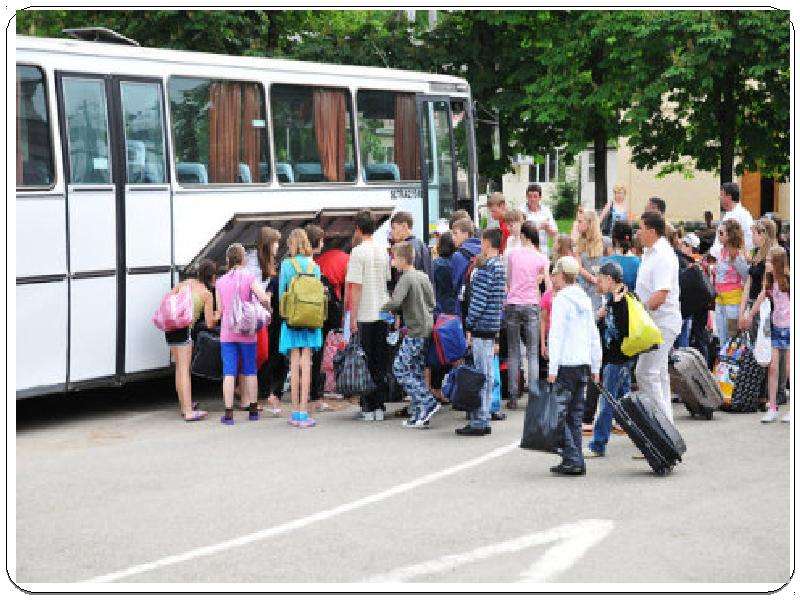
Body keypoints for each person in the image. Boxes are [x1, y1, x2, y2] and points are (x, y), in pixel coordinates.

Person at [547, 256, 602, 476]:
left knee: (558, 415)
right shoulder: (585, 299)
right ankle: (574, 457)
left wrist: (552, 368)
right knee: (575, 416)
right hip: (583, 363)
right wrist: (595, 365)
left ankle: (572, 457)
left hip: (565, 363)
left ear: (561, 275)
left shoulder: (561, 300)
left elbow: (556, 335)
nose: (552, 278)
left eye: (554, 274)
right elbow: (592, 333)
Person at [381, 241, 439, 428]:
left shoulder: (405, 278)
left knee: (400, 368)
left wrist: (381, 308)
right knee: (415, 369)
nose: (392, 261)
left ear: (402, 259)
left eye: (394, 258)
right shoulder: (422, 276)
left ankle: (427, 401)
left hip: (414, 330)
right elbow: (432, 302)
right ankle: (419, 413)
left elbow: (396, 301)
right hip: (427, 327)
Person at [216, 243, 271, 425]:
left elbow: (220, 310)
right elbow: (263, 297)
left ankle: (229, 414)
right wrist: (267, 307)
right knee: (250, 370)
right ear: (243, 259)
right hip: (247, 333)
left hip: (227, 333)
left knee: (229, 372)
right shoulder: (249, 277)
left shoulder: (220, 281)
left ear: (228, 260)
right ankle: (253, 410)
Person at [635, 211, 682, 426]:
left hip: (660, 323)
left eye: (641, 228)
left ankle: (660, 430)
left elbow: (660, 295)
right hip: (655, 322)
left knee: (646, 372)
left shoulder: (662, 255)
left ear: (652, 231)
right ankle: (666, 429)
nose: (638, 232)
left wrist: (636, 312)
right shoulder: (650, 252)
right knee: (659, 374)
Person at [458, 228, 506, 436]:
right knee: (486, 373)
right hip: (492, 325)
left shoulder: (486, 268)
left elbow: (479, 300)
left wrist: (469, 323)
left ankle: (479, 419)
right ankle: (485, 415)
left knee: (478, 374)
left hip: (480, 327)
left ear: (487, 243)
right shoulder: (501, 267)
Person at [345, 210, 391, 421]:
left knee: (366, 361)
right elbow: (387, 281)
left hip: (365, 312)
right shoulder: (383, 251)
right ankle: (380, 406)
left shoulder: (357, 253)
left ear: (357, 228)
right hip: (382, 311)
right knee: (380, 360)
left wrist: (352, 317)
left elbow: (356, 287)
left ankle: (368, 406)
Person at [585, 261, 632, 458]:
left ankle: (598, 444)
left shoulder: (621, 300)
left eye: (601, 278)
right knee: (625, 403)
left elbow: (622, 329)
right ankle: (641, 436)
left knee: (607, 404)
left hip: (617, 359)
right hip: (621, 358)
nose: (597, 281)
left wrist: (611, 308)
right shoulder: (614, 299)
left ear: (610, 280)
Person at [278, 228, 324, 428]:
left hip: (293, 320)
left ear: (291, 244)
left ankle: (295, 411)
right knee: (307, 364)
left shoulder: (287, 265)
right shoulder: (314, 266)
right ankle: (305, 412)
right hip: (312, 320)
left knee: (294, 363)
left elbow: (282, 293)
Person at [164, 260, 218, 422]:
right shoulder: (206, 294)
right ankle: (188, 412)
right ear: (212, 276)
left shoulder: (185, 283)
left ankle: (184, 405)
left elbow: (169, 299)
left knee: (179, 369)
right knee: (184, 370)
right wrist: (218, 314)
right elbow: (209, 323)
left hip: (170, 327)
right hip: (184, 330)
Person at [504, 222, 551, 409]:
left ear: (523, 236)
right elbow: (546, 285)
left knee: (514, 351)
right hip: (532, 304)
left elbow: (508, 279)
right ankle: (533, 395)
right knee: (532, 351)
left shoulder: (512, 254)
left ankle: (513, 396)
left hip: (513, 303)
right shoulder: (541, 258)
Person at [306, 224, 345, 414]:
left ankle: (306, 394)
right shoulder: (313, 265)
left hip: (301, 316)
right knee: (316, 354)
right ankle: (315, 395)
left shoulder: (296, 262)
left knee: (305, 355)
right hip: (316, 315)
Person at [750, 246, 791, 423]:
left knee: (790, 369)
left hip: (790, 328)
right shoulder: (769, 282)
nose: (766, 264)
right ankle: (772, 406)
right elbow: (761, 297)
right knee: (773, 368)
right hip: (775, 329)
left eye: (769, 261)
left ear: (778, 263)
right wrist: (750, 315)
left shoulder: (789, 281)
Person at [249, 226, 283, 416]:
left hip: (268, 313)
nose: (278, 245)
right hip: (259, 312)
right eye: (275, 242)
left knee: (267, 352)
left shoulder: (270, 261)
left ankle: (261, 387)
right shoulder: (254, 262)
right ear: (268, 244)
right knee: (262, 353)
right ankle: (253, 387)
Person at [739, 218, 778, 341]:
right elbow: (748, 283)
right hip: (752, 304)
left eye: (754, 234)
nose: (752, 237)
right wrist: (742, 311)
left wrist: (750, 315)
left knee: (762, 346)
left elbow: (765, 289)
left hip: (764, 307)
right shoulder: (757, 252)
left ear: (762, 234)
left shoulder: (771, 255)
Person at [712, 219, 749, 348]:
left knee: (733, 340)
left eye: (721, 233)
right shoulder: (722, 251)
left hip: (733, 304)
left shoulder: (736, 255)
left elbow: (746, 275)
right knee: (722, 339)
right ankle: (723, 366)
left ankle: (733, 367)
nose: (718, 235)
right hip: (720, 301)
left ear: (730, 235)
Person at [710, 182, 754, 259]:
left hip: (731, 262)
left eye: (721, 195)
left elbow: (748, 241)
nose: (719, 198)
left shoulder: (739, 215)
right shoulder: (730, 213)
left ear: (729, 197)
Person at [450, 218, 482, 319]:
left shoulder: (458, 255)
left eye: (455, 234)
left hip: (464, 304)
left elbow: (455, 284)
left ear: (466, 234)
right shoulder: (483, 250)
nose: (453, 238)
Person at [574, 208, 605, 312]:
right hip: (585, 285)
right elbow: (579, 267)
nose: (577, 224)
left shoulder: (604, 242)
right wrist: (593, 279)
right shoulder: (579, 242)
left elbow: (609, 263)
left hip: (601, 286)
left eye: (580, 221)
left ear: (589, 223)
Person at [390, 211, 432, 279]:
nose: (391, 232)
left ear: (404, 226)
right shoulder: (422, 244)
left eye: (393, 228)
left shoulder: (406, 247)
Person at [604, 220, 640, 292]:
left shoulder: (606, 262)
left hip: (609, 302)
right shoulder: (638, 263)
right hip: (629, 301)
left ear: (614, 238)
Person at [524, 184, 558, 256]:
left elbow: (554, 233)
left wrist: (547, 227)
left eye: (535, 197)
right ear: (526, 197)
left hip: (543, 250)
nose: (532, 199)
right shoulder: (521, 210)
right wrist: (540, 226)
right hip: (526, 249)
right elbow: (521, 232)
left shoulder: (546, 210)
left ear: (540, 197)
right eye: (530, 196)